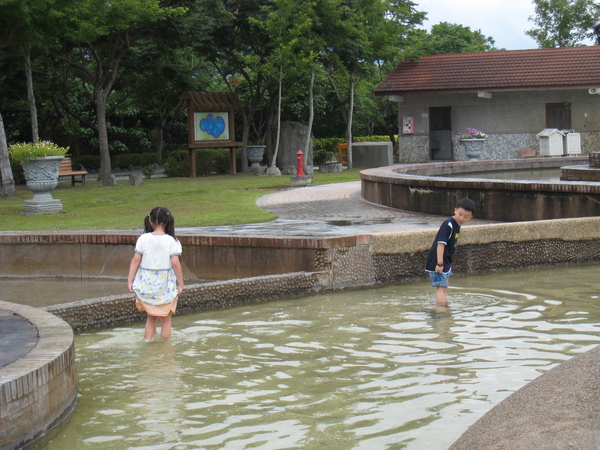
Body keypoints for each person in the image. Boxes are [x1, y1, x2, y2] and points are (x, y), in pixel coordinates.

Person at [128, 206, 184, 341]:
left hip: (147, 282)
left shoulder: (143, 238)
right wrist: (181, 284)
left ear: (151, 222)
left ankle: (148, 342)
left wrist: (130, 280)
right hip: (165, 284)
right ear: (168, 222)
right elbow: (176, 263)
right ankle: (165, 348)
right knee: (166, 318)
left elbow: (136, 259)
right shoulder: (173, 241)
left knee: (151, 317)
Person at [425, 198, 475, 306]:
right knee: (441, 287)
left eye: (466, 217)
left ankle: (443, 305)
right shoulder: (449, 224)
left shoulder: (456, 225)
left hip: (444, 260)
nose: (462, 218)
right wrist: (439, 263)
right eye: (460, 214)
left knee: (444, 285)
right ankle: (441, 311)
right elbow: (440, 244)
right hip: (438, 261)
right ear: (455, 210)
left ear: (471, 217)